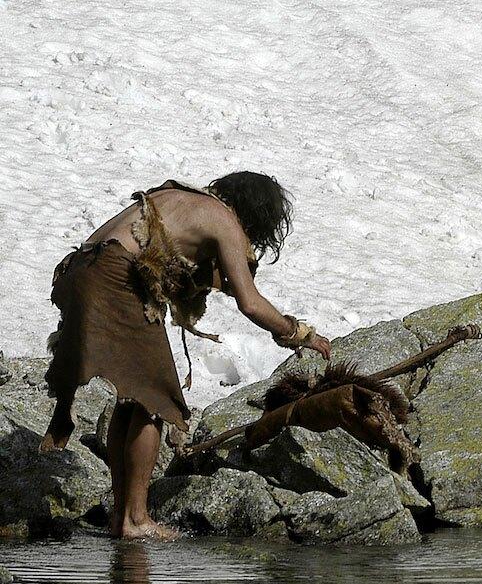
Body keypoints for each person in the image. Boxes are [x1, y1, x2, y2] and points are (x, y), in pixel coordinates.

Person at [39, 173, 331, 539]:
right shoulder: (223, 219)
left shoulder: (181, 197)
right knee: (156, 400)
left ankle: (121, 518)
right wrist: (298, 334)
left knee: (132, 399)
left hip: (81, 268)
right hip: (116, 274)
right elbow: (250, 302)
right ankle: (137, 519)